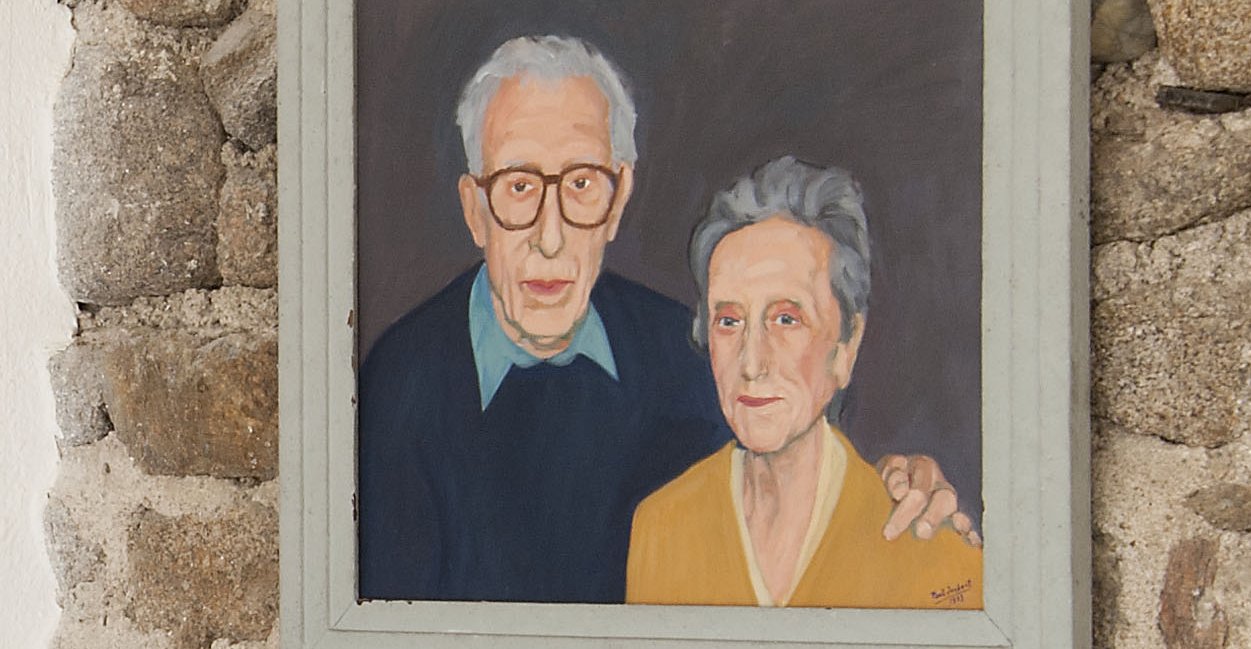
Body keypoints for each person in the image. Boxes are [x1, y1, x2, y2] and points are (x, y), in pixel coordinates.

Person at [355, 35, 967, 602]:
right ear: (474, 209)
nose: (550, 235)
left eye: (582, 184)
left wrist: (894, 486)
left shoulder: (693, 357)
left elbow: (792, 463)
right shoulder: (398, 388)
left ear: (618, 200)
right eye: (518, 186)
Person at [626, 159, 985, 611]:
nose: (751, 363)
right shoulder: (662, 527)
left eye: (786, 319)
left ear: (846, 345)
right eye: (729, 321)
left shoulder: (930, 544)